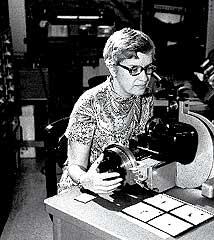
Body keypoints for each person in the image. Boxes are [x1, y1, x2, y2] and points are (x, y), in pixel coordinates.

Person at [57, 28, 156, 194]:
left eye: (148, 68)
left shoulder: (144, 98)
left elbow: (139, 146)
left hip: (120, 180)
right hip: (84, 186)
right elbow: (75, 167)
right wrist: (86, 180)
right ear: (112, 67)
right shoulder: (89, 103)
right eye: (134, 69)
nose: (144, 78)